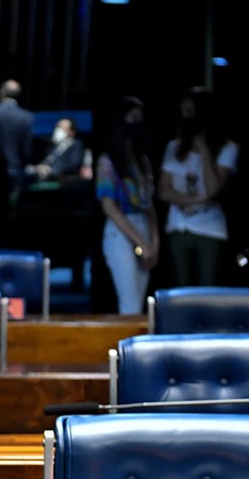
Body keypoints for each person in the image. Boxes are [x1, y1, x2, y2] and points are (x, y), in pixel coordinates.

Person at [158, 86, 238, 286]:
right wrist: (197, 199)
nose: (186, 118)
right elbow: (164, 190)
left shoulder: (228, 148)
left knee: (207, 285)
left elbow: (214, 188)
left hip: (209, 226)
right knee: (181, 286)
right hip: (179, 223)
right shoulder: (173, 148)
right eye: (183, 112)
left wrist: (204, 151)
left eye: (190, 112)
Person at [96, 96, 159, 314]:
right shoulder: (108, 161)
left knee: (140, 304)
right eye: (133, 118)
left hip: (143, 227)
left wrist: (154, 242)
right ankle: (129, 348)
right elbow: (109, 207)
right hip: (121, 233)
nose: (137, 124)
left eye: (140, 119)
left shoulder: (142, 162)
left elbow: (149, 205)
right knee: (130, 304)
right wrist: (141, 242)